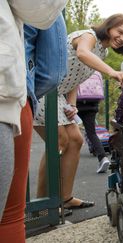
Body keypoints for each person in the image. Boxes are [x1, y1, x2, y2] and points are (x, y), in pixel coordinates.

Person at [33, 14, 123, 210]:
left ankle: (65, 197)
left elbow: (77, 76)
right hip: (43, 89)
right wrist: (112, 72)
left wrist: (71, 105)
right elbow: (81, 54)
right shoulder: (89, 36)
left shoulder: (102, 52)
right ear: (109, 27)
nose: (122, 38)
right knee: (60, 140)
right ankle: (41, 204)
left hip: (59, 95)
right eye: (120, 32)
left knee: (76, 140)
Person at [0, 1, 67, 241]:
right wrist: (27, 95)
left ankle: (57, 197)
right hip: (7, 98)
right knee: (9, 216)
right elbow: (53, 71)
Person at [76, 71, 110, 173]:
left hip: (76, 103)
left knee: (69, 131)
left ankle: (66, 160)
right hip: (92, 104)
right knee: (92, 133)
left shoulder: (77, 67)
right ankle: (103, 158)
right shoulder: (96, 71)